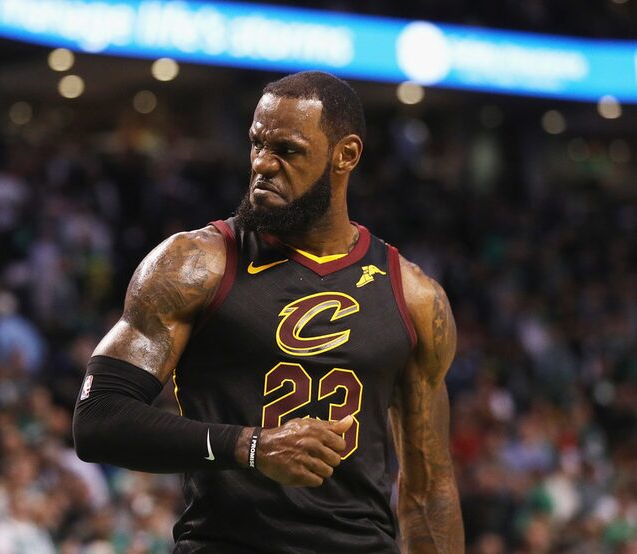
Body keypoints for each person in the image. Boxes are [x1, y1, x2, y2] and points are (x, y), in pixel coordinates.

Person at [73, 71, 464, 553]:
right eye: (256, 144)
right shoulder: (193, 264)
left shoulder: (415, 296)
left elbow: (430, 492)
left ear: (346, 155)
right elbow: (98, 419)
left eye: (288, 150)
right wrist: (251, 446)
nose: (263, 164)